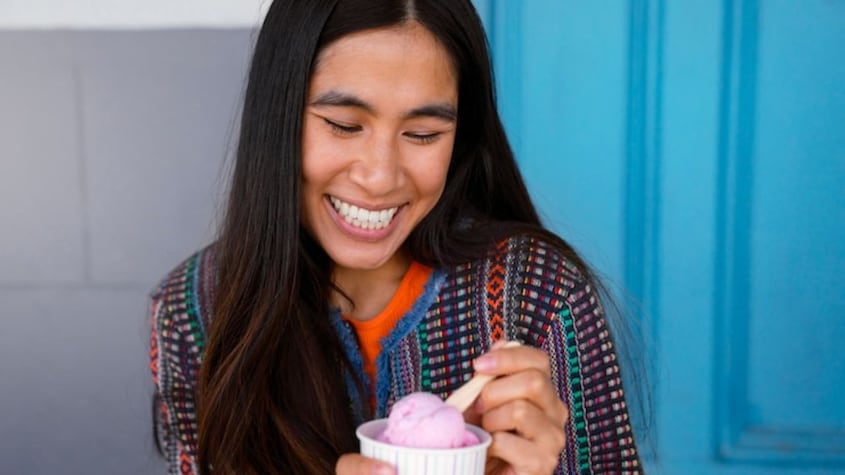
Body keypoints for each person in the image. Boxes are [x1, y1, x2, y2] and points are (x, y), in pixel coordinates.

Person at [149, 0, 642, 474]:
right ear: (278, 118)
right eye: (344, 125)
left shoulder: (538, 294)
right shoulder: (193, 313)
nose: (381, 176)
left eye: (423, 134)